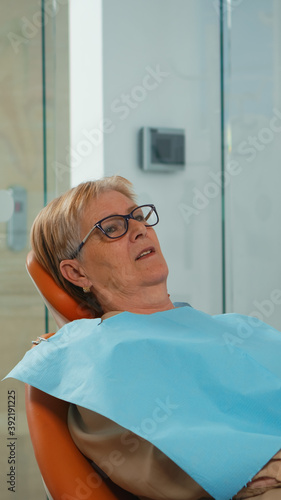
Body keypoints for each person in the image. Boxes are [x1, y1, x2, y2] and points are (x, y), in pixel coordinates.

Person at [6, 176, 281, 500]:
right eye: (111, 227)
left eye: (137, 216)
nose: (139, 229)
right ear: (77, 273)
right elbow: (174, 461)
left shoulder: (235, 326)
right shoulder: (90, 357)